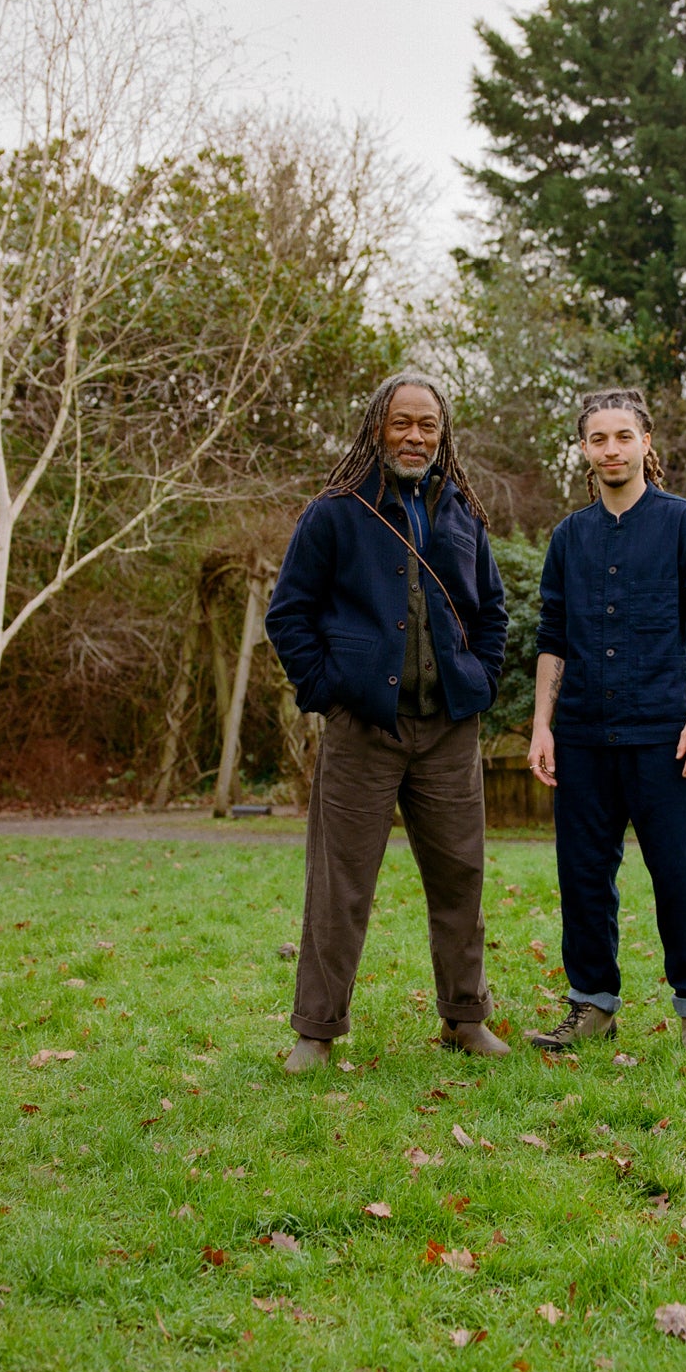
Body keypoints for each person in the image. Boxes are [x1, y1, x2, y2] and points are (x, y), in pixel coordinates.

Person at [264, 369, 511, 1074]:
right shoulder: (335, 512)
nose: (414, 435)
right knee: (340, 884)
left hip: (447, 733)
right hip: (362, 730)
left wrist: (480, 681)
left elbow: (491, 611)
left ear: (443, 432)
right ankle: (317, 1030)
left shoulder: (464, 512)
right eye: (401, 422)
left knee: (461, 876)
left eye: (426, 424)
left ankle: (465, 1019)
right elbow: (289, 614)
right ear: (377, 427)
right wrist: (326, 689)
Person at [525, 388, 686, 1058]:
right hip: (582, 737)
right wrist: (542, 726)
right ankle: (591, 1006)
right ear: (585, 451)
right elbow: (552, 637)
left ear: (647, 442)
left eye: (622, 436)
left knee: (684, 875)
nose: (610, 449)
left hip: (666, 735)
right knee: (583, 878)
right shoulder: (569, 537)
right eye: (597, 439)